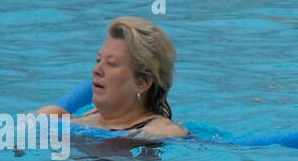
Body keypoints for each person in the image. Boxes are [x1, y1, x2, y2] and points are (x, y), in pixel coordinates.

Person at [38, 17, 187, 138]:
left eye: (111, 64)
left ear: (142, 82)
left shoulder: (157, 130)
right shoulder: (88, 116)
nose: (96, 70)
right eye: (98, 60)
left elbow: (174, 135)